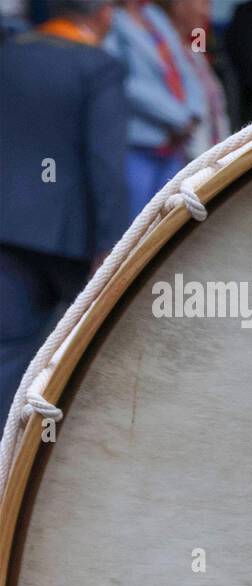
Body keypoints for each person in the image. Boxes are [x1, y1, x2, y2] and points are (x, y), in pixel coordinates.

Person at [0, 0, 129, 413]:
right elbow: (105, 163)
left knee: (10, 353)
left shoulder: (9, 54)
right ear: (103, 14)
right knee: (92, 355)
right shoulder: (99, 67)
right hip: (69, 236)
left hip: (7, 230)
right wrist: (112, 242)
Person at [105, 0, 206, 217]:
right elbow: (122, 81)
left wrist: (195, 112)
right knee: (137, 230)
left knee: (171, 223)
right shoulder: (110, 18)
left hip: (174, 145)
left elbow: (183, 65)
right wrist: (179, 117)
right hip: (139, 145)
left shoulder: (153, 14)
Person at [164, 0, 230, 155]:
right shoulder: (162, 57)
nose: (207, 13)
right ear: (178, 4)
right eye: (203, 3)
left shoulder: (195, 54)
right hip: (185, 163)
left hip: (213, 158)